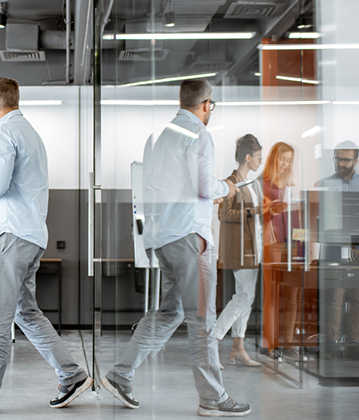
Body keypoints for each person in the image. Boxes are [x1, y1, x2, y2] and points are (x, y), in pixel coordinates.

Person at [101, 78, 249, 417]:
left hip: (164, 237)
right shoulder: (200, 134)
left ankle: (121, 375)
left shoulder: (162, 136)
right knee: (203, 320)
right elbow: (203, 185)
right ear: (206, 104)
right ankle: (212, 398)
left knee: (171, 313)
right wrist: (227, 186)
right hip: (189, 236)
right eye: (211, 105)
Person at [0, 77, 91, 415]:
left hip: (7, 238)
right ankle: (71, 375)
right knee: (25, 312)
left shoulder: (0, 132)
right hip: (29, 236)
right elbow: (13, 187)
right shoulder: (30, 133)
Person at [316, 141, 359, 360]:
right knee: (334, 297)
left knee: (358, 297)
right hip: (335, 247)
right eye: (338, 158)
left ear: (356, 161)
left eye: (346, 159)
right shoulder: (324, 184)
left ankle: (353, 343)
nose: (341, 163)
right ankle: (330, 343)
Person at [214, 135, 263, 367]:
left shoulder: (253, 185)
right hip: (240, 249)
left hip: (253, 248)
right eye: (258, 158)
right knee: (243, 296)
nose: (260, 162)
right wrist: (251, 213)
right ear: (247, 157)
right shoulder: (230, 183)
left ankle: (238, 347)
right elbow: (223, 215)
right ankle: (212, 339)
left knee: (248, 297)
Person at [261, 142, 303, 362]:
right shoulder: (263, 185)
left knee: (293, 295)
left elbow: (299, 220)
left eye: (289, 160)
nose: (285, 164)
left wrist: (302, 246)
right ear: (273, 159)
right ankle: (272, 344)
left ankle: (288, 343)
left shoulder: (292, 187)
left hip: (293, 244)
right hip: (273, 244)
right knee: (273, 295)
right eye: (282, 159)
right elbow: (258, 218)